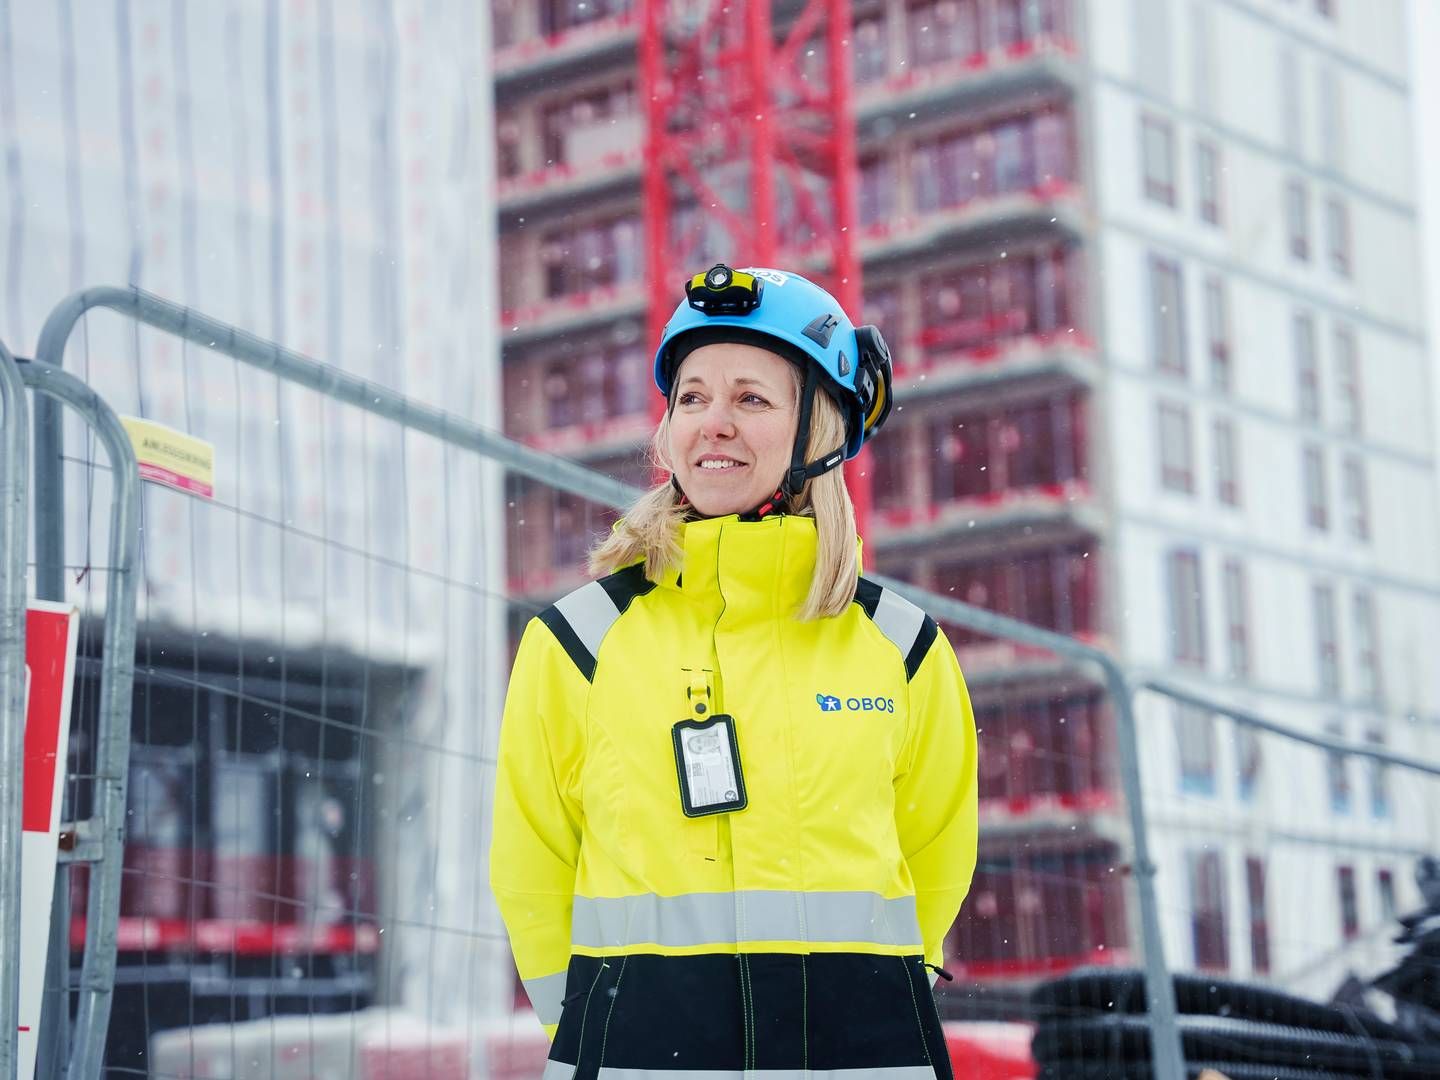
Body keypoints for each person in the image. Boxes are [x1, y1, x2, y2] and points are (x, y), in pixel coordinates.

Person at [491, 264, 978, 1079]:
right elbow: (531, 866)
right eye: (691, 398)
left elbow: (937, 853)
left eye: (751, 398)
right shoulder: (579, 643)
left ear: (819, 431)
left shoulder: (901, 647)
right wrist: (592, 1035)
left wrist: (878, 1001)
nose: (713, 423)